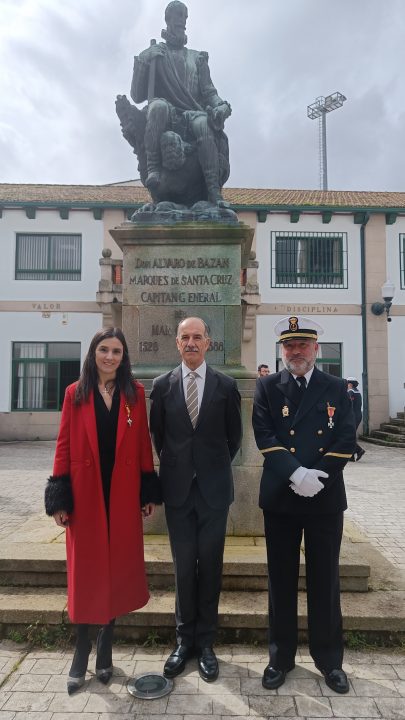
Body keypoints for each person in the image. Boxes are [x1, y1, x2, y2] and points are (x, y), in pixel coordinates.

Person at [44, 328, 161, 695]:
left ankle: (106, 648)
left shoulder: (134, 394)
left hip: (123, 496)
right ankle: (81, 650)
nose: (110, 356)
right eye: (104, 350)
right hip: (86, 497)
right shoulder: (74, 393)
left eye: (117, 351)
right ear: (93, 353)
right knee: (87, 574)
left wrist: (147, 489)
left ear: (124, 357)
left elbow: (143, 444)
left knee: (116, 571)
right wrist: (59, 498)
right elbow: (63, 444)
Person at [252, 316, 356, 695]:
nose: (296, 352)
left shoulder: (335, 386)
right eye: (289, 346)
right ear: (282, 351)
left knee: (325, 579)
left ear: (316, 349)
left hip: (325, 497)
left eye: (302, 345)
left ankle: (330, 661)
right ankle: (280, 658)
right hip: (281, 496)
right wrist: (297, 475)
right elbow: (264, 434)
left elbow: (346, 434)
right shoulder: (267, 386)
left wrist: (318, 476)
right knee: (280, 579)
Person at [149, 316, 242, 682]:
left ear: (209, 343)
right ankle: (183, 642)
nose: (191, 342)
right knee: (184, 568)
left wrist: (209, 467)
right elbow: (159, 438)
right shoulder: (162, 386)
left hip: (214, 492)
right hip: (177, 493)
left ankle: (206, 644)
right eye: (185, 337)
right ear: (177, 343)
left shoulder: (226, 385)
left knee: (211, 568)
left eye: (197, 337)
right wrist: (180, 469)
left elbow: (233, 439)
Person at [131, 0, 231, 204]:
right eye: (178, 16)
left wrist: (221, 106)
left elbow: (209, 92)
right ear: (167, 19)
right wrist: (143, 60)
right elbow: (137, 95)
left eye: (185, 17)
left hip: (193, 113)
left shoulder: (197, 58)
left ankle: (213, 192)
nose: (182, 21)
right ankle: (153, 169)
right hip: (167, 113)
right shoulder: (156, 54)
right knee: (157, 107)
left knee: (203, 125)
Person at [347, 377, 365, 461]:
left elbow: (348, 404)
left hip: (353, 416)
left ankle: (359, 450)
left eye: (347, 383)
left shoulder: (351, 392)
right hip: (357, 415)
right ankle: (351, 456)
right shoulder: (357, 391)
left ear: (350, 384)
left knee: (348, 436)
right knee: (351, 435)